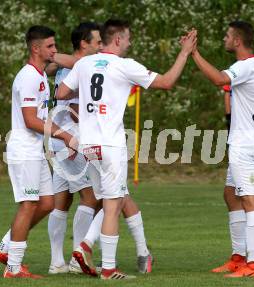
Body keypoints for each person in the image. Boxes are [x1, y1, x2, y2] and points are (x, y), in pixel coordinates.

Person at [56, 19, 197, 280]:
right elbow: (166, 82)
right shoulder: (125, 66)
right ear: (118, 39)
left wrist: (87, 101)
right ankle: (107, 267)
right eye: (128, 38)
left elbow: (62, 92)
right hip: (111, 144)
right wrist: (185, 52)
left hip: (88, 144)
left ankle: (87, 245)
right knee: (113, 204)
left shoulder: (84, 64)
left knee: (112, 199)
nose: (130, 42)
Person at [0, 25, 77, 279]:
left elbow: (40, 117)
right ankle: (13, 268)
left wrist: (61, 140)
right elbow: (30, 120)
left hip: (35, 149)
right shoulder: (28, 77)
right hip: (24, 150)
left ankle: (6, 246)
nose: (54, 50)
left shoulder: (40, 76)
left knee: (47, 203)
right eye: (50, 46)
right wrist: (65, 135)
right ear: (36, 48)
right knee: (28, 205)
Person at [192, 20, 254, 277]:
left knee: (249, 200)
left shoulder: (244, 66)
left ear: (237, 40)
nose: (224, 39)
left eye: (227, 35)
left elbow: (219, 79)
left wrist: (193, 53)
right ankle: (238, 257)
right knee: (230, 195)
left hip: (245, 144)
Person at [47, 22, 102, 275]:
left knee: (62, 200)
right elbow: (75, 107)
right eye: (97, 42)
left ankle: (57, 262)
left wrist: (52, 59)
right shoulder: (81, 66)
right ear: (84, 44)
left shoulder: (66, 67)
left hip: (59, 136)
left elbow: (52, 68)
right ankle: (77, 260)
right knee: (92, 198)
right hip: (73, 138)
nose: (100, 46)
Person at [223, 85, 254, 193]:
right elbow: (227, 94)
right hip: (243, 122)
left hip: (249, 121)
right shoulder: (239, 75)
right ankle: (247, 183)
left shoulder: (244, 75)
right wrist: (229, 117)